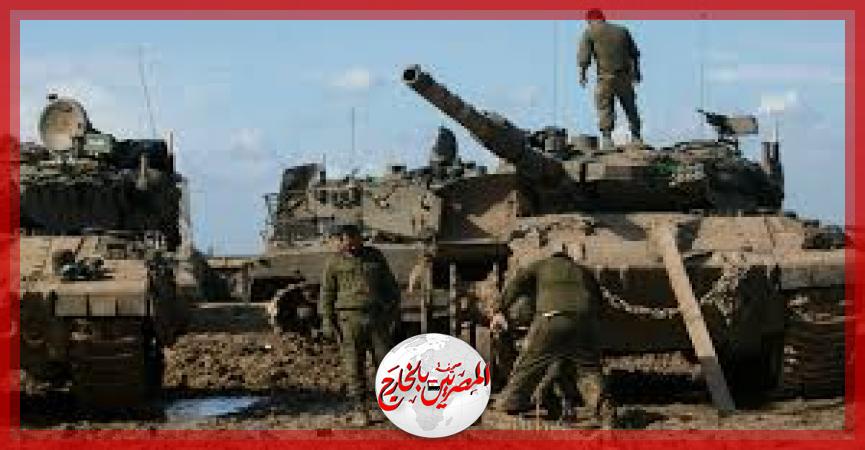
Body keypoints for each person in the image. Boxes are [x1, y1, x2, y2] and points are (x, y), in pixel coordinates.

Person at [491, 247, 615, 427]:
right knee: (588, 369)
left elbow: (517, 283)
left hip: (551, 318)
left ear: (553, 258)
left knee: (530, 363)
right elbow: (599, 301)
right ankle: (605, 411)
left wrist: (499, 309)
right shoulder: (583, 271)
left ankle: (510, 403)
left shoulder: (542, 265)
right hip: (584, 321)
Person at [319, 223, 401, 424]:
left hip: (376, 317)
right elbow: (327, 292)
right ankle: (360, 408)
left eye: (353, 237)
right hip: (349, 319)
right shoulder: (334, 262)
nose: (350, 242)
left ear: (359, 237)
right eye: (345, 238)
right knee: (354, 366)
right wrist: (327, 320)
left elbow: (390, 286)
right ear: (341, 240)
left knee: (384, 362)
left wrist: (392, 311)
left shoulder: (375, 256)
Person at [578, 8, 643, 149]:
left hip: (605, 77)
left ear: (589, 20)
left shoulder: (590, 32)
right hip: (624, 77)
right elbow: (634, 54)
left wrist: (582, 75)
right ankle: (636, 136)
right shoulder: (622, 31)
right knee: (630, 106)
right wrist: (637, 73)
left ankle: (607, 139)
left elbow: (584, 56)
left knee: (604, 106)